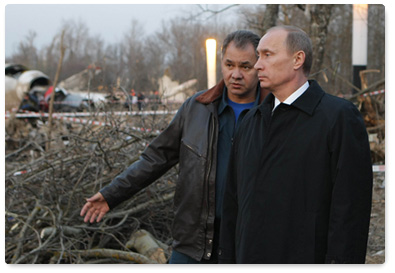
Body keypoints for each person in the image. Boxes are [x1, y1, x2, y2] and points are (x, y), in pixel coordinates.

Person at [80, 30, 269, 264]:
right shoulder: (197, 108)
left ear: (259, 66)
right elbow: (155, 159)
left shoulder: (273, 114)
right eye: (229, 65)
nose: (236, 74)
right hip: (193, 242)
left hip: (248, 245)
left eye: (245, 66)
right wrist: (111, 194)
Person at [218, 25, 373, 264]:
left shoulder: (338, 118)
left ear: (297, 59)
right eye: (258, 56)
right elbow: (232, 207)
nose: (258, 64)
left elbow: (350, 213)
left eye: (267, 55)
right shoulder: (251, 122)